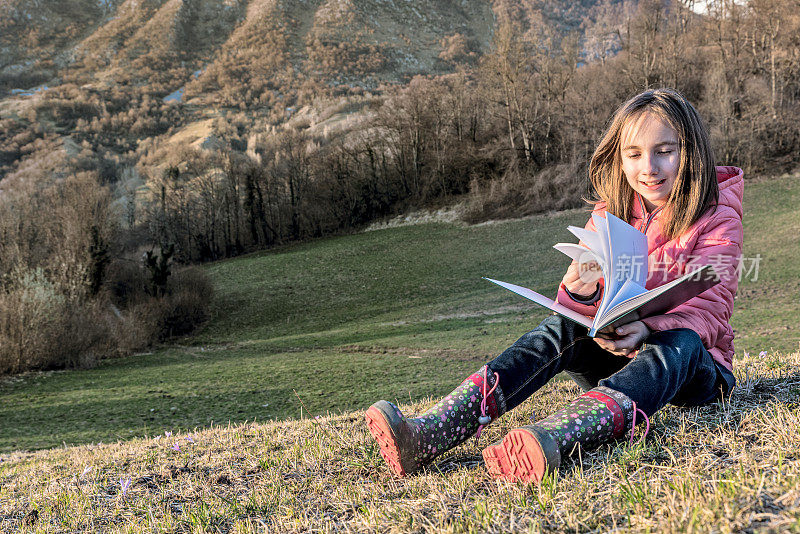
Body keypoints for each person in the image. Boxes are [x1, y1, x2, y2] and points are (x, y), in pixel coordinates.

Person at [364, 88, 744, 483]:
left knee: (679, 341)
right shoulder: (609, 214)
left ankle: (553, 439)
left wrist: (649, 328)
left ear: (692, 152)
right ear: (619, 157)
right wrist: (582, 294)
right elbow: (580, 307)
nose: (648, 167)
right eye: (633, 154)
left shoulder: (717, 216)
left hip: (696, 375)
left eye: (665, 150)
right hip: (618, 362)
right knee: (562, 328)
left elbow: (712, 310)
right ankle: (431, 431)